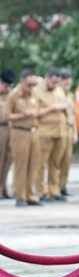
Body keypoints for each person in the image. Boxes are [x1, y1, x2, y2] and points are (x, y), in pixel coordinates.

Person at [7, 70, 42, 206]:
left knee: (34, 165)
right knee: (21, 165)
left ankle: (30, 195)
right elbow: (7, 116)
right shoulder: (14, 95)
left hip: (33, 132)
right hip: (19, 132)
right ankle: (20, 196)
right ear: (22, 81)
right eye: (29, 84)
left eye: (33, 85)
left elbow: (38, 110)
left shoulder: (33, 94)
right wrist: (24, 115)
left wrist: (35, 113)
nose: (31, 87)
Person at [34, 68, 70, 201]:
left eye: (57, 83)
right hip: (44, 132)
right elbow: (35, 112)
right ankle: (41, 191)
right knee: (41, 163)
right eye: (53, 82)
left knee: (56, 163)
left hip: (60, 132)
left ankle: (54, 191)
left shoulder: (59, 90)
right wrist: (52, 108)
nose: (55, 85)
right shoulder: (37, 91)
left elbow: (66, 106)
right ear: (47, 78)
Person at [58, 69, 75, 197]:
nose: (67, 82)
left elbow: (73, 114)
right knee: (57, 160)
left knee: (66, 160)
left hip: (69, 129)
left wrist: (74, 132)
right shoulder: (57, 94)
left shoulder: (70, 95)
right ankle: (54, 188)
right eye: (65, 80)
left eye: (69, 80)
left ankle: (63, 186)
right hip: (59, 130)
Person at [0, 69, 14, 199]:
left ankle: (3, 188)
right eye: (5, 85)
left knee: (7, 161)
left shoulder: (10, 94)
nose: (7, 88)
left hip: (9, 129)